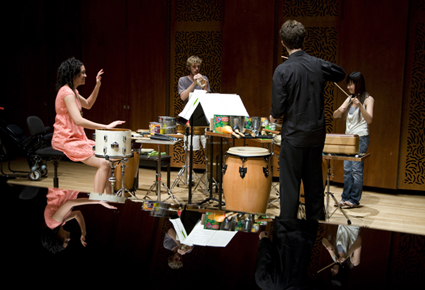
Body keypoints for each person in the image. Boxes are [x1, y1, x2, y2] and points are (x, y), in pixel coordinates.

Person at [269, 20, 346, 221]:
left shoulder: (282, 70)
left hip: (293, 137)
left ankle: (287, 234)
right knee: (314, 188)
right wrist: (318, 65)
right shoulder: (317, 64)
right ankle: (316, 231)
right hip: (315, 136)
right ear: (303, 39)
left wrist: (273, 116)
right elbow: (340, 73)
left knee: (290, 188)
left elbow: (277, 110)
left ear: (283, 42)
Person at [52, 57, 125, 194]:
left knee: (108, 159)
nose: (85, 75)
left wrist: (97, 85)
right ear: (73, 74)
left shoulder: (73, 91)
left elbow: (88, 104)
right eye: (83, 72)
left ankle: (108, 197)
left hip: (77, 138)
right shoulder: (66, 93)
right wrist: (106, 127)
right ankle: (98, 198)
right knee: (104, 163)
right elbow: (78, 120)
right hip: (66, 139)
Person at [333, 72, 374, 207]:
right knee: (347, 170)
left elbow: (369, 119)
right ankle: (345, 198)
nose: (349, 87)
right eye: (348, 84)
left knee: (356, 170)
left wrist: (360, 105)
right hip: (348, 139)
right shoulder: (349, 98)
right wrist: (341, 109)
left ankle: (354, 200)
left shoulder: (368, 99)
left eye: (351, 84)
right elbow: (335, 115)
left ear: (358, 84)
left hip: (360, 138)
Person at [41, 188, 117, 254]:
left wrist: (98, 201)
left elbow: (70, 203)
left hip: (61, 187)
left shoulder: (53, 222)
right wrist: (83, 232)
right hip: (66, 188)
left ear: (57, 238)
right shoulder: (59, 223)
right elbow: (77, 214)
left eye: (66, 241)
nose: (69, 239)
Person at [177, 55, 211, 181]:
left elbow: (208, 98)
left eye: (198, 66)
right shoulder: (183, 80)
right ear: (189, 68)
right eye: (194, 67)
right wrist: (194, 83)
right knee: (189, 149)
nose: (197, 69)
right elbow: (183, 97)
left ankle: (209, 175)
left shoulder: (204, 78)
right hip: (189, 117)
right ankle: (189, 175)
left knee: (207, 147)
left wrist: (205, 86)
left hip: (203, 117)